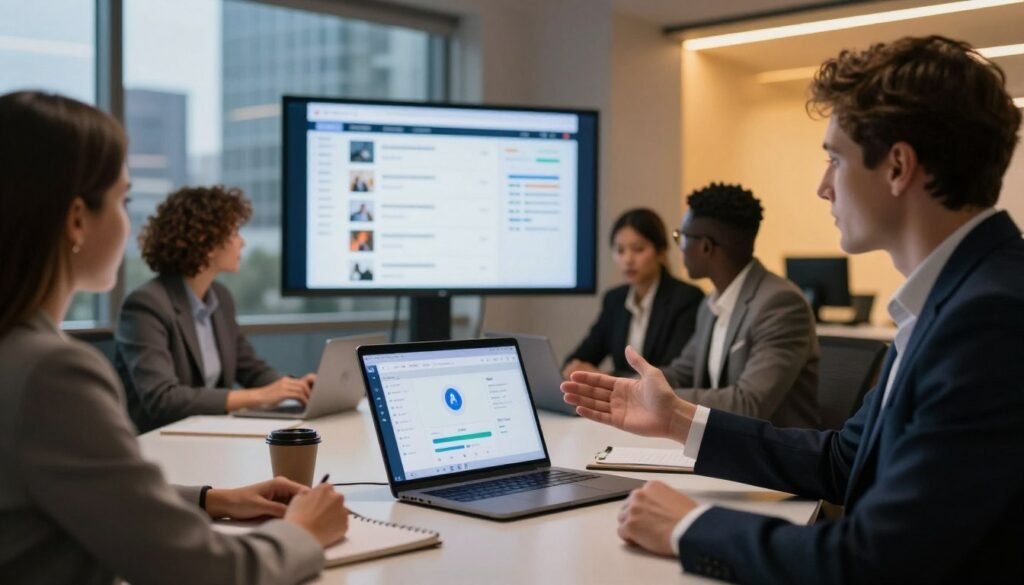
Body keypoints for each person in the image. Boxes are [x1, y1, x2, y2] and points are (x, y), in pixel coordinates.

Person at [561, 36, 1024, 583]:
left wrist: (692, 528)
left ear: (898, 167)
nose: (823, 187)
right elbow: (843, 462)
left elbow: (879, 561)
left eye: (834, 159)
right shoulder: (952, 298)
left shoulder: (989, 317)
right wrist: (676, 418)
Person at [0, 90, 347, 584]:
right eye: (124, 200)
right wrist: (305, 533)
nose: (128, 220)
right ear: (77, 218)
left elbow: (78, 490)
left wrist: (211, 498)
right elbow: (203, 572)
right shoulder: (51, 373)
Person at [115, 186, 317, 433]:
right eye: (234, 233)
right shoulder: (146, 305)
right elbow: (163, 400)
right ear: (205, 240)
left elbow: (251, 369)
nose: (242, 242)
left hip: (208, 435)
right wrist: (259, 396)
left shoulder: (220, 298)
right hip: (161, 442)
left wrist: (295, 387)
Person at [660, 183, 820, 428]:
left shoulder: (780, 305)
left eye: (681, 237)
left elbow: (748, 405)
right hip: (724, 445)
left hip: (775, 457)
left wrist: (658, 398)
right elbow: (682, 372)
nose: (679, 247)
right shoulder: (711, 304)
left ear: (705, 246)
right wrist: (617, 384)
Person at [563, 208, 703, 378]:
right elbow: (582, 355)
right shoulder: (614, 299)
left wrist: (605, 377)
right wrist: (574, 368)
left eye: (638, 249)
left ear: (660, 251)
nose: (628, 260)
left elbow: (673, 374)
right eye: (620, 250)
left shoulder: (686, 298)